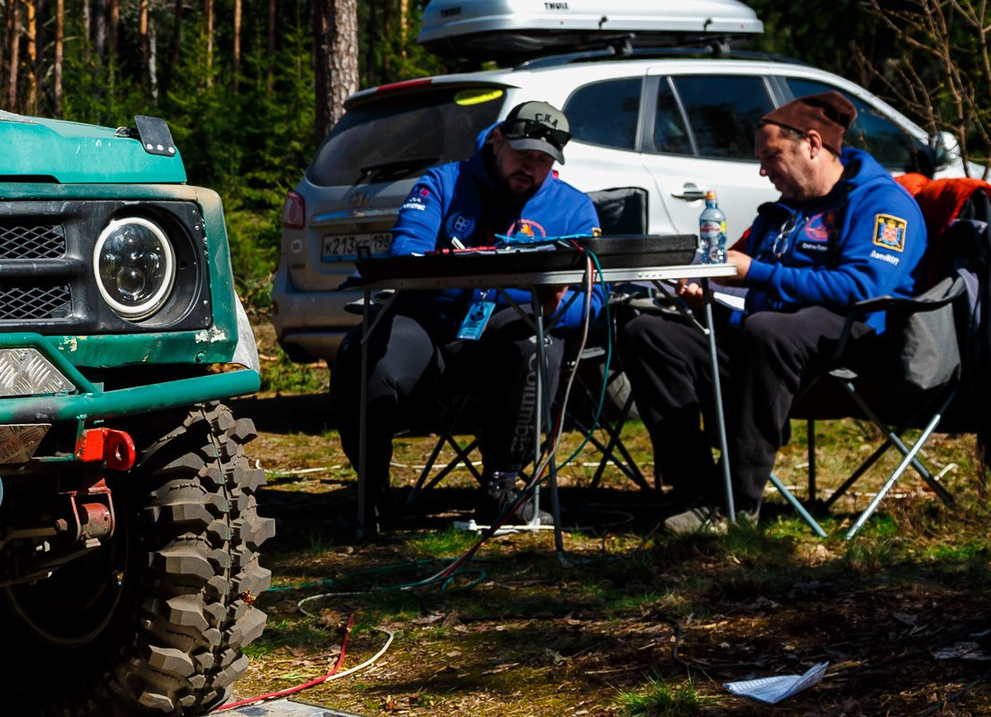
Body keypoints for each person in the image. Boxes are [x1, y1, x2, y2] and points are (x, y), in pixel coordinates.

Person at [621, 90, 927, 533]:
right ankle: (695, 489)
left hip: (852, 344)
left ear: (813, 144)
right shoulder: (781, 213)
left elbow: (863, 286)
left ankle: (736, 506)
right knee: (648, 332)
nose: (763, 170)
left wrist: (756, 274)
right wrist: (707, 293)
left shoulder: (881, 203)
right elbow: (747, 282)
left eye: (772, 156)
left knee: (769, 330)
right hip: (763, 341)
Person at [332, 101, 602, 530]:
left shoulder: (573, 209)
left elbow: (592, 302)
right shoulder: (443, 183)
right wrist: (500, 276)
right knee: (362, 355)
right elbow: (407, 256)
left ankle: (502, 488)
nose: (530, 168)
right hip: (431, 324)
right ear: (497, 141)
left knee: (540, 347)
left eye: (542, 160)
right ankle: (375, 491)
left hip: (506, 336)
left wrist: (551, 305)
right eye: (522, 155)